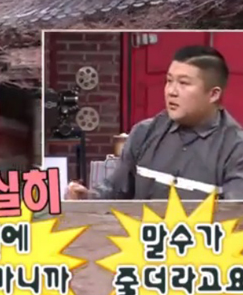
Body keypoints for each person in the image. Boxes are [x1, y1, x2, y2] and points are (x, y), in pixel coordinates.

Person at [95, 44, 243, 200]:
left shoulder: (236, 149)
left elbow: (236, 212)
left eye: (183, 83)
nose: (171, 91)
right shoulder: (144, 133)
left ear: (213, 94)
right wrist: (86, 198)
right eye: (169, 80)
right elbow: (113, 194)